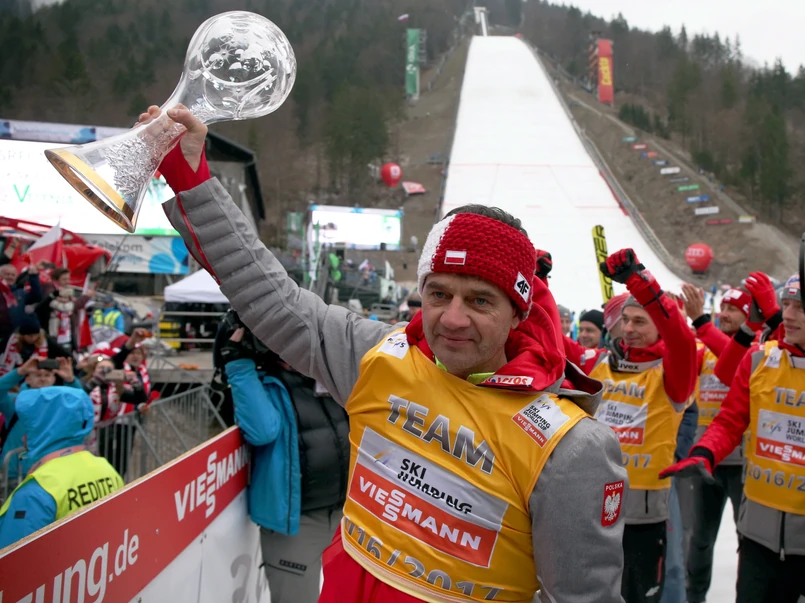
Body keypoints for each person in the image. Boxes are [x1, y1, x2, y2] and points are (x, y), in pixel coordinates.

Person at [145, 103, 627, 603]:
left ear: (518, 313)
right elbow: (271, 296)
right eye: (438, 294)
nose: (453, 318)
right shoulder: (379, 356)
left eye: (480, 300)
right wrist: (190, 179)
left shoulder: (570, 447)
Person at [564, 250, 697, 603]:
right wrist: (536, 281)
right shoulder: (599, 362)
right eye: (626, 320)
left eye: (640, 321)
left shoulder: (673, 374)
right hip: (592, 511)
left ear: (659, 327)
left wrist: (640, 282)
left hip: (643, 519)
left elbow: (681, 340)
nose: (629, 329)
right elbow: (551, 339)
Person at [663, 273, 805, 603]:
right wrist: (703, 452)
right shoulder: (759, 358)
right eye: (785, 305)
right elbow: (729, 420)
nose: (789, 314)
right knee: (699, 540)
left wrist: (768, 316)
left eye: (800, 307)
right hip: (758, 534)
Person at [215, 317, 350, 603]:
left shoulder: (325, 377)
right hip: (296, 522)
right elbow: (262, 431)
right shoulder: (265, 382)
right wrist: (238, 363)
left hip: (343, 514)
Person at [679, 284, 750, 603]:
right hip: (704, 461)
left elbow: (735, 357)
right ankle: (694, 597)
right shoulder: (703, 348)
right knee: (699, 540)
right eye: (722, 307)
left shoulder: (756, 352)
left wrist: (702, 323)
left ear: (749, 316)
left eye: (733, 309)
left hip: (743, 463)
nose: (724, 314)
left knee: (747, 541)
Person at [0, 385, 124, 548]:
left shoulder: (34, 493)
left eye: (30, 427)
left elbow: (14, 561)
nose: (24, 437)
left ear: (44, 428)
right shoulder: (106, 468)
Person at [0, 355, 83, 481]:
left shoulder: (61, 404)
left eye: (47, 375)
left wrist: (71, 380)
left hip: (49, 472)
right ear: (27, 379)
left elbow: (81, 406)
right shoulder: (15, 402)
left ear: (54, 379)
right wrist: (19, 372)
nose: (43, 379)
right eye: (38, 375)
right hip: (15, 474)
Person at [83, 352, 148, 478]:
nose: (105, 371)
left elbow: (140, 398)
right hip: (86, 434)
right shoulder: (86, 383)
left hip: (105, 433)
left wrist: (136, 384)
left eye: (109, 369)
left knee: (103, 465)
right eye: (101, 368)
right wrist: (95, 382)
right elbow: (79, 395)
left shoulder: (116, 388)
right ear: (94, 369)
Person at [35, 267, 95, 354]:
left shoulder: (66, 291)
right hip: (53, 330)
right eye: (64, 279)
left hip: (66, 332)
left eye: (68, 279)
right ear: (56, 279)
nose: (67, 282)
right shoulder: (50, 291)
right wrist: (85, 297)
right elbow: (70, 307)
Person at [0, 315, 70, 377]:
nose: (33, 338)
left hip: (40, 375)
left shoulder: (46, 340)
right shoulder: (12, 341)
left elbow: (65, 355)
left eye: (35, 335)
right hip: (17, 374)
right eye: (29, 336)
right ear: (22, 335)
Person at [0, 262, 42, 351]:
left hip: (15, 336)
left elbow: (37, 297)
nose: (10, 277)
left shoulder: (20, 293)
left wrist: (33, 276)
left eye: (13, 275)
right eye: (7, 274)